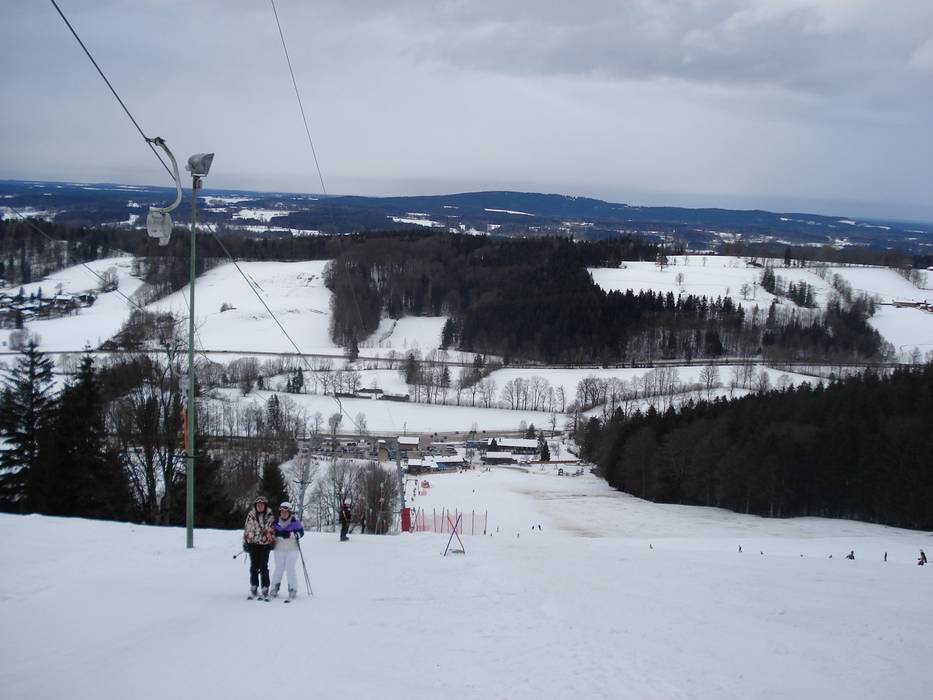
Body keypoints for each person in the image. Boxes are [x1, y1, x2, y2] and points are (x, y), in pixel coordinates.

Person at [270, 502, 304, 600]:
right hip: (279, 548)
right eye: (282, 511)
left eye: (286, 512)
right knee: (279, 568)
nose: (284, 513)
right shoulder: (275, 522)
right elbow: (271, 532)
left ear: (289, 512)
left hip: (292, 548)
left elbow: (301, 533)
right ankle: (274, 588)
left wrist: (292, 534)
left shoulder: (295, 522)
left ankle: (292, 589)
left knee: (290, 568)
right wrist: (274, 535)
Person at [243, 496, 274, 599]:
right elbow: (247, 529)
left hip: (265, 544)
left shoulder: (269, 516)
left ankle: (265, 586)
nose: (260, 506)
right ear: (255, 506)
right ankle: (254, 584)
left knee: (263, 565)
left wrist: (270, 537)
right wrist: (245, 542)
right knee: (254, 565)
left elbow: (272, 529)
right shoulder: (251, 515)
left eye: (262, 505)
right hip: (253, 543)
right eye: (258, 505)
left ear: (265, 506)